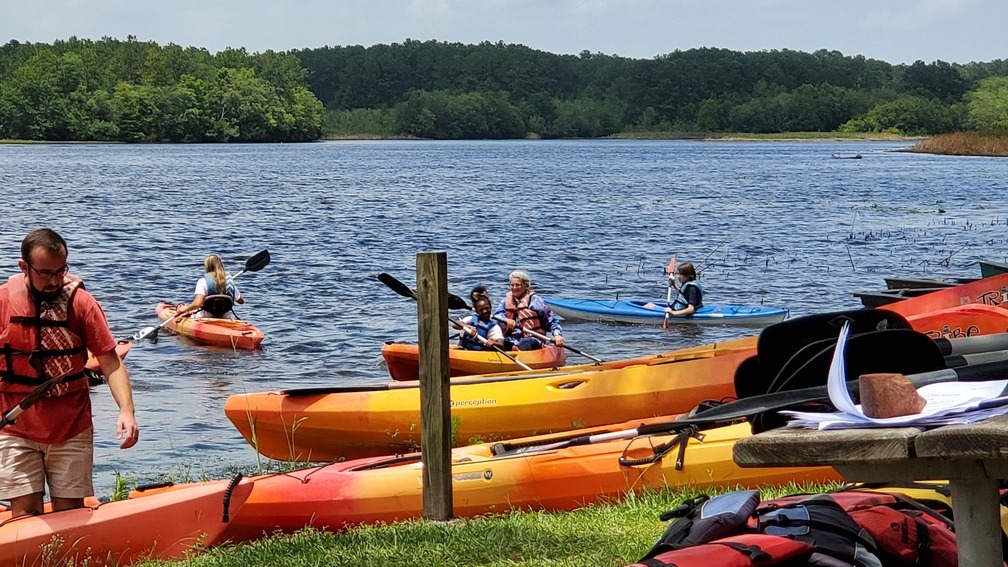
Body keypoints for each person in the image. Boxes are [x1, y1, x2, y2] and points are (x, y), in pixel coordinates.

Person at [0, 228, 139, 517]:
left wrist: (127, 411)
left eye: (61, 271)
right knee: (24, 515)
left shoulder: (81, 304)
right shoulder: (3, 302)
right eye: (46, 272)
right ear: (24, 267)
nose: (55, 280)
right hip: (15, 427)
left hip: (71, 426)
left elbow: (111, 363)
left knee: (69, 516)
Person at [493, 270, 564, 351]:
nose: (514, 288)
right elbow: (497, 316)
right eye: (512, 285)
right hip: (512, 339)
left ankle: (519, 352)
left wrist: (557, 335)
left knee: (527, 342)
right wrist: (505, 320)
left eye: (518, 285)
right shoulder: (505, 301)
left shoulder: (535, 301)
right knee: (495, 342)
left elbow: (551, 321)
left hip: (533, 339)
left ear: (526, 286)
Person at [176, 254, 245, 319]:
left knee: (192, 311)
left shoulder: (202, 281)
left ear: (207, 266)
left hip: (205, 316)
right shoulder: (229, 282)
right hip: (226, 315)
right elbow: (241, 301)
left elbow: (197, 304)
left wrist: (184, 309)